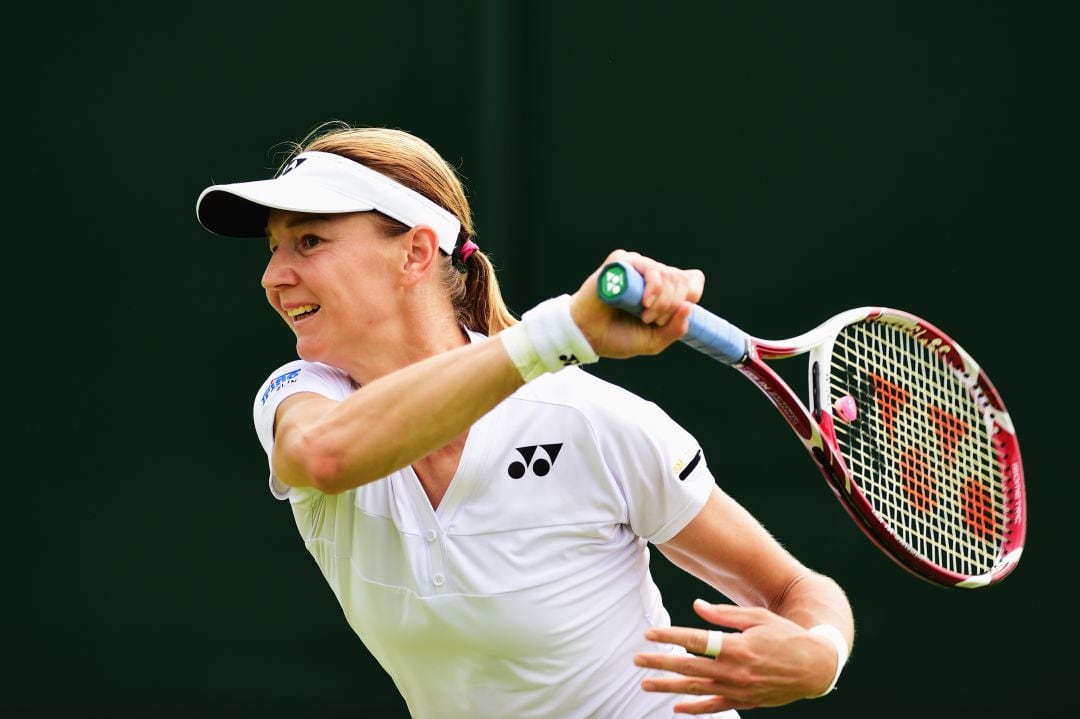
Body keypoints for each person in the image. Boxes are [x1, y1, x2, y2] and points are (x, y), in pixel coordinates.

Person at [195, 122, 855, 718]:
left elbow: (795, 588)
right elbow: (324, 458)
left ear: (416, 254)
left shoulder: (589, 420)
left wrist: (819, 654)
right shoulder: (298, 400)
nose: (273, 276)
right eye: (274, 247)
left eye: (308, 241)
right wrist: (562, 330)